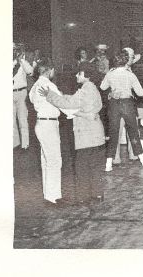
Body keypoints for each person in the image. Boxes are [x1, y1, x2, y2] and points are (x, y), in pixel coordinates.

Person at [40, 63, 105, 204]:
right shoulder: (92, 88)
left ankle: (83, 198)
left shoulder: (85, 90)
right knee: (94, 166)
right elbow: (78, 101)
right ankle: (97, 194)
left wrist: (49, 95)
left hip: (87, 135)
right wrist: (82, 111)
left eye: (79, 73)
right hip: (96, 135)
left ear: (86, 75)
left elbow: (67, 104)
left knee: (81, 167)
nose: (76, 75)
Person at [100, 53, 143, 172]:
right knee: (133, 132)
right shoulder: (130, 75)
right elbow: (139, 93)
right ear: (125, 62)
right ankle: (142, 160)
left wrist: (112, 90)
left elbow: (103, 87)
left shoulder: (110, 73)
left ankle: (108, 164)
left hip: (114, 104)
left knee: (113, 133)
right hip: (127, 103)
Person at [29, 59, 68, 204]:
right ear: (49, 70)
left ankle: (48, 194)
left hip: (40, 123)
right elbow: (62, 102)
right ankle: (54, 196)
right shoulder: (49, 85)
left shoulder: (35, 85)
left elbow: (33, 100)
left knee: (45, 160)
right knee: (54, 161)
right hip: (49, 124)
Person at [13, 44, 34, 150]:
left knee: (22, 119)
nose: (14, 52)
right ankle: (15, 144)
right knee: (11, 120)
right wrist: (16, 62)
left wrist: (22, 61)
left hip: (21, 93)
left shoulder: (22, 62)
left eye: (15, 50)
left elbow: (30, 71)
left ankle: (25, 144)